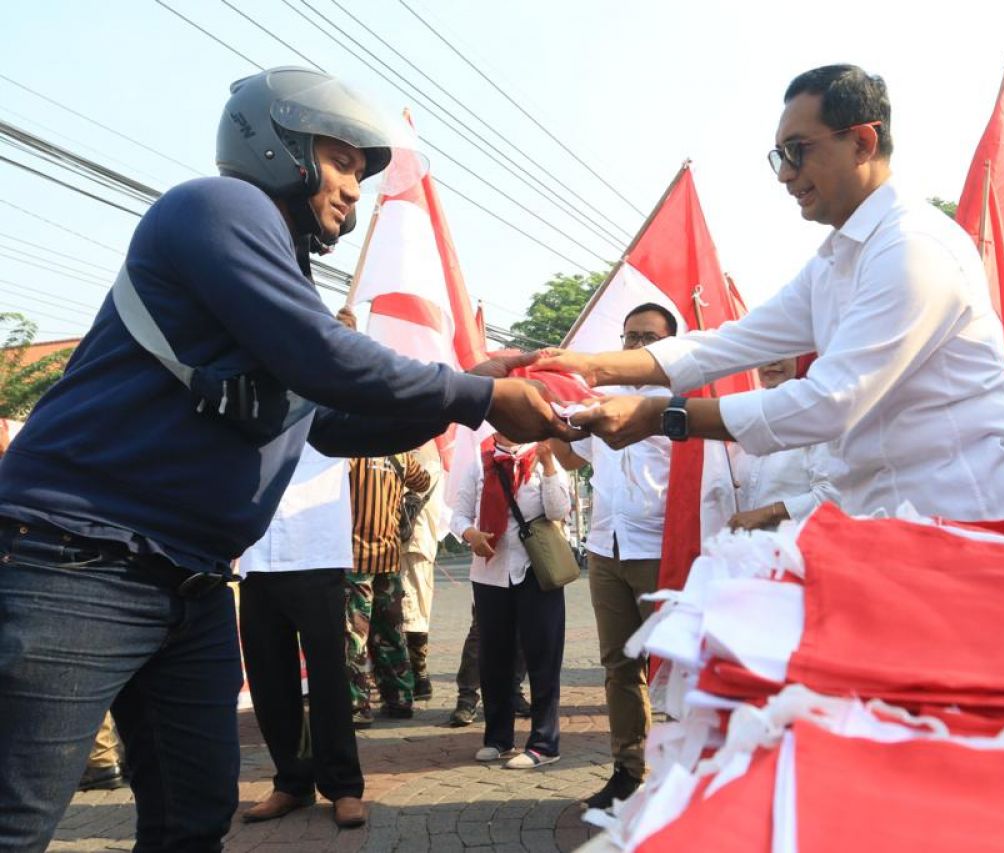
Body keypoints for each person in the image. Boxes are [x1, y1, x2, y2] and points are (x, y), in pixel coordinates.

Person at [0, 66, 574, 851]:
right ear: (278, 144)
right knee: (17, 818)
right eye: (341, 161)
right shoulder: (218, 207)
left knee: (193, 818)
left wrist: (470, 383)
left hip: (188, 580)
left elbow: (333, 421)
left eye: (363, 174)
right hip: (77, 560)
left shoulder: (281, 275)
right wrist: (474, 397)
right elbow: (324, 357)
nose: (353, 188)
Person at [540, 64, 1004, 525]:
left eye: (798, 151)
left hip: (976, 520)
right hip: (892, 526)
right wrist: (584, 367)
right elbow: (725, 345)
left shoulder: (913, 248)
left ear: (862, 143)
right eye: (779, 156)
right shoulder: (834, 262)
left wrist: (664, 416)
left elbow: (827, 403)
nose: (785, 174)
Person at [550, 302, 677, 809]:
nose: (637, 345)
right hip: (606, 548)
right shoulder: (599, 398)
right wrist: (552, 415)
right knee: (619, 666)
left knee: (675, 668)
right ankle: (627, 771)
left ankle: (682, 777)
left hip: (662, 550)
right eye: (630, 337)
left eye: (649, 337)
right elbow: (569, 455)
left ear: (671, 345)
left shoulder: (685, 401)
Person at [237, 443, 366, 828]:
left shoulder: (329, 395)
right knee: (269, 678)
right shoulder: (249, 395)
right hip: (256, 553)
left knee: (329, 677)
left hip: (316, 549)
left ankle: (343, 785)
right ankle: (292, 781)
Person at [449, 436, 570, 769]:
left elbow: (560, 510)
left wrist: (547, 465)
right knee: (494, 658)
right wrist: (470, 535)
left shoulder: (544, 452)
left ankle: (545, 742)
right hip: (490, 572)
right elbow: (458, 515)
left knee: (542, 656)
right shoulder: (479, 457)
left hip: (537, 569)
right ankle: (498, 738)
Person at [345, 451, 430, 727]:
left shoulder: (348, 451)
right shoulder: (400, 451)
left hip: (354, 557)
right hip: (389, 554)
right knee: (391, 631)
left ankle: (357, 705)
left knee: (354, 634)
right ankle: (400, 698)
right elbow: (423, 481)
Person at [726, 357, 844, 532]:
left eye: (784, 351)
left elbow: (831, 494)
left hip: (798, 548)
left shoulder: (820, 416)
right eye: (764, 352)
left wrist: (768, 514)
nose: (772, 361)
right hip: (750, 550)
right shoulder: (746, 415)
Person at [401, 443, 443, 701]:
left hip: (411, 540)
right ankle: (417, 675)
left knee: (411, 607)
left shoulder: (418, 456)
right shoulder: (432, 454)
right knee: (416, 605)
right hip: (418, 540)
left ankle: (418, 675)